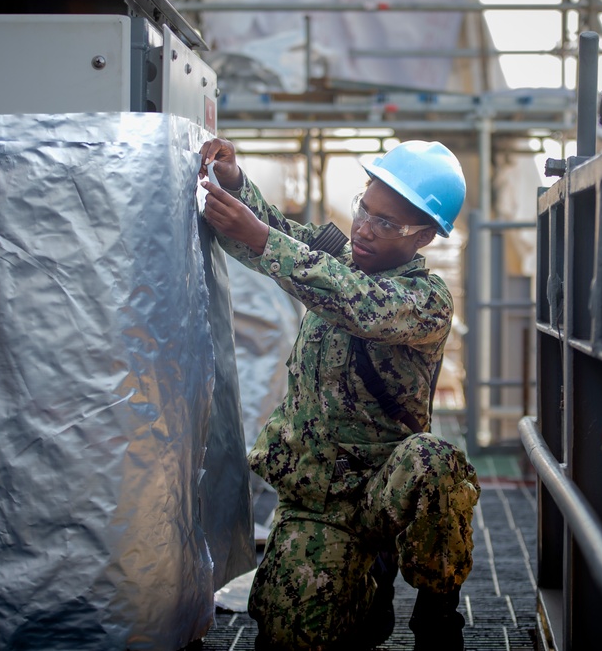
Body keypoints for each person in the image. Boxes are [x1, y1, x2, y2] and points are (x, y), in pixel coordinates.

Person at [198, 136, 481, 651]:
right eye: (364, 209)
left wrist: (264, 240)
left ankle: (438, 616)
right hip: (318, 498)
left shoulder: (425, 301)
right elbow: (274, 237)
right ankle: (362, 591)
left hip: (383, 493)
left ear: (423, 238)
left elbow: (357, 303)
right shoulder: (341, 256)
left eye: (386, 223)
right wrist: (235, 183)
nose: (364, 229)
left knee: (436, 464)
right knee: (292, 635)